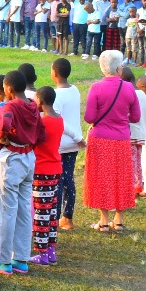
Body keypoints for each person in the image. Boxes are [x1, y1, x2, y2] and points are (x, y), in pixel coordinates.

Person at [84, 51, 142, 231]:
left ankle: (103, 220)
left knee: (101, 177)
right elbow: (136, 117)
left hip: (100, 138)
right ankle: (119, 219)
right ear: (118, 68)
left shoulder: (96, 88)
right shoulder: (129, 88)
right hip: (121, 139)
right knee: (121, 177)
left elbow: (89, 117)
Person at [0, 70, 39, 275]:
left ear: (9, 89)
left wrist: (1, 136)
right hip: (29, 158)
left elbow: (4, 123)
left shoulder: (11, 106)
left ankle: (3, 260)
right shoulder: (32, 104)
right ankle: (21, 258)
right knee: (23, 209)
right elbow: (41, 132)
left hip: (12, 158)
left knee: (7, 209)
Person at [30, 86, 65, 266]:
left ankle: (42, 253)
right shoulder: (59, 120)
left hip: (41, 171)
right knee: (51, 212)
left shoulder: (42, 123)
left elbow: (33, 140)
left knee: (41, 213)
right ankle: (51, 250)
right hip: (55, 170)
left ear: (40, 101)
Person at [51, 58, 84, 233]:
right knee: (68, 179)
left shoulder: (56, 95)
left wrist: (77, 136)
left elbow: (60, 122)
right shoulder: (75, 90)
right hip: (73, 144)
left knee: (58, 182)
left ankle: (56, 218)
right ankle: (68, 217)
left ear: (54, 73)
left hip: (62, 144)